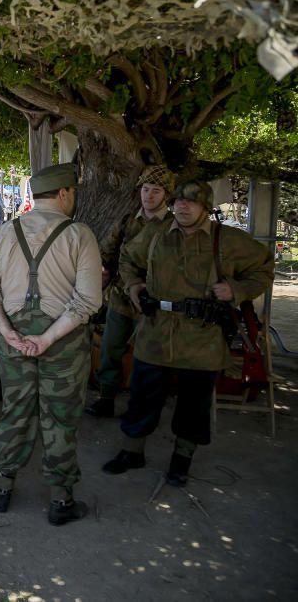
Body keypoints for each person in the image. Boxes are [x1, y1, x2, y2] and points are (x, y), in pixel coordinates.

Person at [103, 180, 274, 486]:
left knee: (193, 406)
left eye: (191, 202)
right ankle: (132, 452)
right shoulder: (157, 234)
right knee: (142, 396)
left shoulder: (228, 240)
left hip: (202, 337)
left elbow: (263, 267)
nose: (182, 206)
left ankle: (181, 460)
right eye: (179, 201)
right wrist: (133, 286)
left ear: (205, 208)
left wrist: (236, 289)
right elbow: (127, 258)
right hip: (157, 330)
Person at [0, 163, 102, 526]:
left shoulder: (4, 233)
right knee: (60, 416)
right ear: (64, 194)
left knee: (15, 410)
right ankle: (60, 500)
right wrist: (47, 338)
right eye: (73, 193)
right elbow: (88, 301)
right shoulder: (80, 235)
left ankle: (2, 487)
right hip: (63, 341)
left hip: (13, 338)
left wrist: (6, 331)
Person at [85, 165, 175, 417]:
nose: (149, 196)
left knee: (150, 356)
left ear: (166, 195)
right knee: (110, 348)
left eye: (156, 191)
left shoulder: (173, 226)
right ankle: (106, 398)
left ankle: (141, 405)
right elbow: (106, 253)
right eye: (146, 190)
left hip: (156, 301)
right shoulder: (126, 222)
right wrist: (102, 270)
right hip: (121, 298)